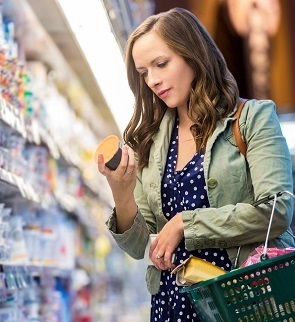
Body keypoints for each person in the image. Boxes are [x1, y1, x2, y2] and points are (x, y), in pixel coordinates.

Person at [97, 7, 294, 322]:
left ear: (193, 55)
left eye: (161, 64)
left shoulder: (253, 119)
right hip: (173, 302)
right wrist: (120, 192)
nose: (153, 80)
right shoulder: (154, 141)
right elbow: (137, 246)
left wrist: (183, 225)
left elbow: (277, 209)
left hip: (241, 297)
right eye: (144, 72)